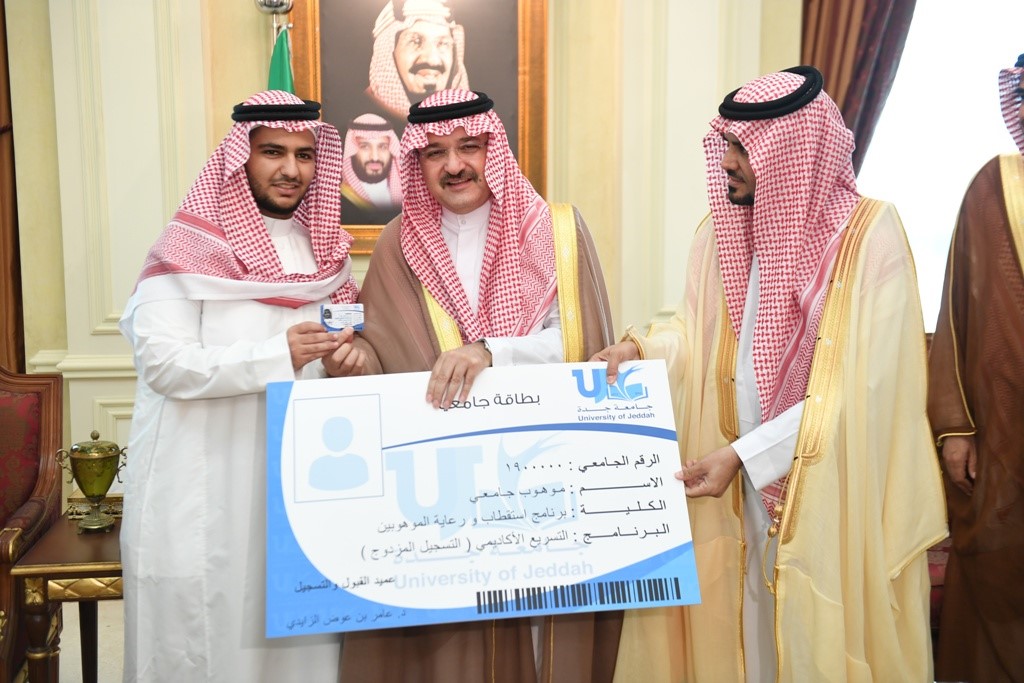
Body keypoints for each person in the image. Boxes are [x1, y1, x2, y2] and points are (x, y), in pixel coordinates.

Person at [592, 67, 947, 681]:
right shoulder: (719, 234)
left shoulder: (869, 237)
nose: (726, 161)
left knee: (812, 641)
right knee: (743, 635)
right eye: (726, 143)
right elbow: (693, 335)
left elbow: (860, 393)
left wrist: (745, 455)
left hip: (828, 489)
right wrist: (638, 350)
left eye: (742, 147)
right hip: (730, 486)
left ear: (788, 151)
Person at [340, 89, 620, 682]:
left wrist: (492, 352)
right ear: (416, 163)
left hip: (542, 478)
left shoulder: (555, 230)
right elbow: (379, 354)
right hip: (440, 497)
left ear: (495, 149)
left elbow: (581, 347)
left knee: (543, 633)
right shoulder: (396, 246)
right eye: (435, 153)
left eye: (469, 146)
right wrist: (350, 361)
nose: (454, 165)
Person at [119, 90, 366, 681]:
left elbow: (342, 348)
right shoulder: (186, 249)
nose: (291, 170)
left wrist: (348, 361)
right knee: (203, 638)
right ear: (239, 159)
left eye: (305, 155)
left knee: (299, 644)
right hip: (204, 484)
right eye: (273, 152)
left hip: (299, 483)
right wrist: (277, 355)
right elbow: (165, 364)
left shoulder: (326, 253)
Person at [927, 52, 1024, 683]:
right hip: (1001, 431)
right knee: (996, 558)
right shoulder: (992, 187)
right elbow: (957, 314)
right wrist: (955, 427)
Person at [366, 0, 470, 124]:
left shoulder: (470, 125)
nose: (432, 59)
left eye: (443, 43)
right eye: (415, 41)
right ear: (387, 52)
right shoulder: (366, 124)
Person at [341, 113, 402, 224]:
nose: (375, 157)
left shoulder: (408, 195)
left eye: (383, 147)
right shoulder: (342, 197)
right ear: (352, 151)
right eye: (365, 147)